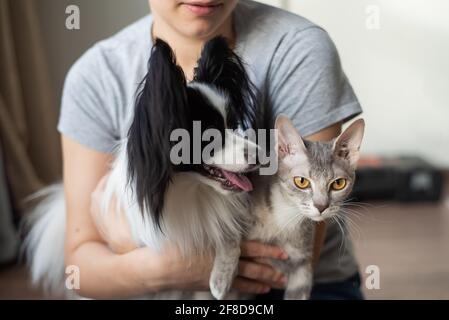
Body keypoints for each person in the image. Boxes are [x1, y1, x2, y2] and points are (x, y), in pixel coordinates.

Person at [59, 0, 363, 299]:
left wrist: (130, 243)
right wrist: (159, 266)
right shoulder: (95, 75)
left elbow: (292, 253)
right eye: (207, 138)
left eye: (227, 128)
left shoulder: (298, 46)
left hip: (294, 285)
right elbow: (81, 271)